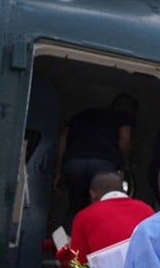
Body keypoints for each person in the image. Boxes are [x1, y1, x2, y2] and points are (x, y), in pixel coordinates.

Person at [56, 93, 137, 224]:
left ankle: (70, 241)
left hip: (74, 163)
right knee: (103, 209)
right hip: (104, 165)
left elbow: (63, 138)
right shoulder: (124, 116)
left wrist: (59, 171)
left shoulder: (83, 114)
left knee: (75, 207)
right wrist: (126, 164)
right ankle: (96, 242)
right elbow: (125, 137)